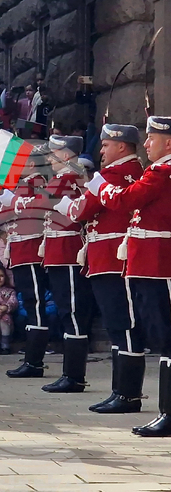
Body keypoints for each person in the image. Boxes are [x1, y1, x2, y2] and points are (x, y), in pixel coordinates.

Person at [85, 115, 171, 436]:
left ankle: (164, 410)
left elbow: (126, 201)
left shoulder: (163, 171)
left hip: (159, 265)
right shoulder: (155, 171)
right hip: (146, 264)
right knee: (160, 338)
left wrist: (101, 186)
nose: (146, 144)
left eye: (152, 138)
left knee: (164, 338)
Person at [61, 124, 146, 413]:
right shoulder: (131, 172)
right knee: (119, 325)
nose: (102, 150)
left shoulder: (115, 174)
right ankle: (120, 391)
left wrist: (65, 207)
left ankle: (127, 394)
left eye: (107, 145)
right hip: (110, 257)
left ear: (122, 146)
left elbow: (82, 211)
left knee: (122, 324)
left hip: (111, 258)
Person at [37, 135, 93, 394]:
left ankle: (74, 375)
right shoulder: (63, 177)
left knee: (72, 312)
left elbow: (41, 202)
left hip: (68, 251)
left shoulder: (70, 176)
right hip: (58, 252)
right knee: (65, 311)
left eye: (55, 153)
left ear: (68, 155)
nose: (50, 158)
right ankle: (70, 374)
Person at [0, 166, 51, 379]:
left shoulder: (37, 183)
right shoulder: (20, 186)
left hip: (31, 251)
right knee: (29, 303)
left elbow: (36, 208)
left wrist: (12, 203)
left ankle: (35, 360)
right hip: (19, 251)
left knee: (35, 304)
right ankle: (31, 358)